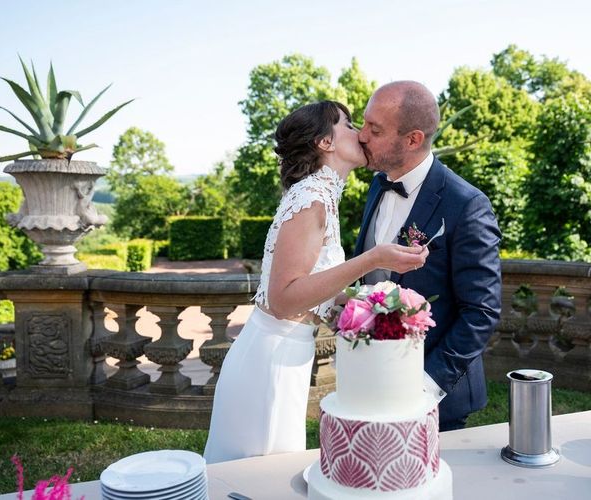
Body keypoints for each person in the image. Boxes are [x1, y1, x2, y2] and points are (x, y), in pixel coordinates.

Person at [204, 101, 428, 464]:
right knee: (259, 478)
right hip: (270, 361)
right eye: (348, 124)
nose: (360, 133)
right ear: (325, 143)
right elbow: (283, 299)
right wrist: (371, 260)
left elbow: (308, 286)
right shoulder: (311, 199)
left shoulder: (321, 195)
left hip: (287, 354)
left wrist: (371, 301)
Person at [355, 81, 502, 431]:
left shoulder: (466, 205)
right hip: (372, 380)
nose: (361, 136)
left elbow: (481, 311)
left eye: (374, 129)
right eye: (364, 123)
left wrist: (424, 385)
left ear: (413, 139)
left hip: (435, 399)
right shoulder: (378, 184)